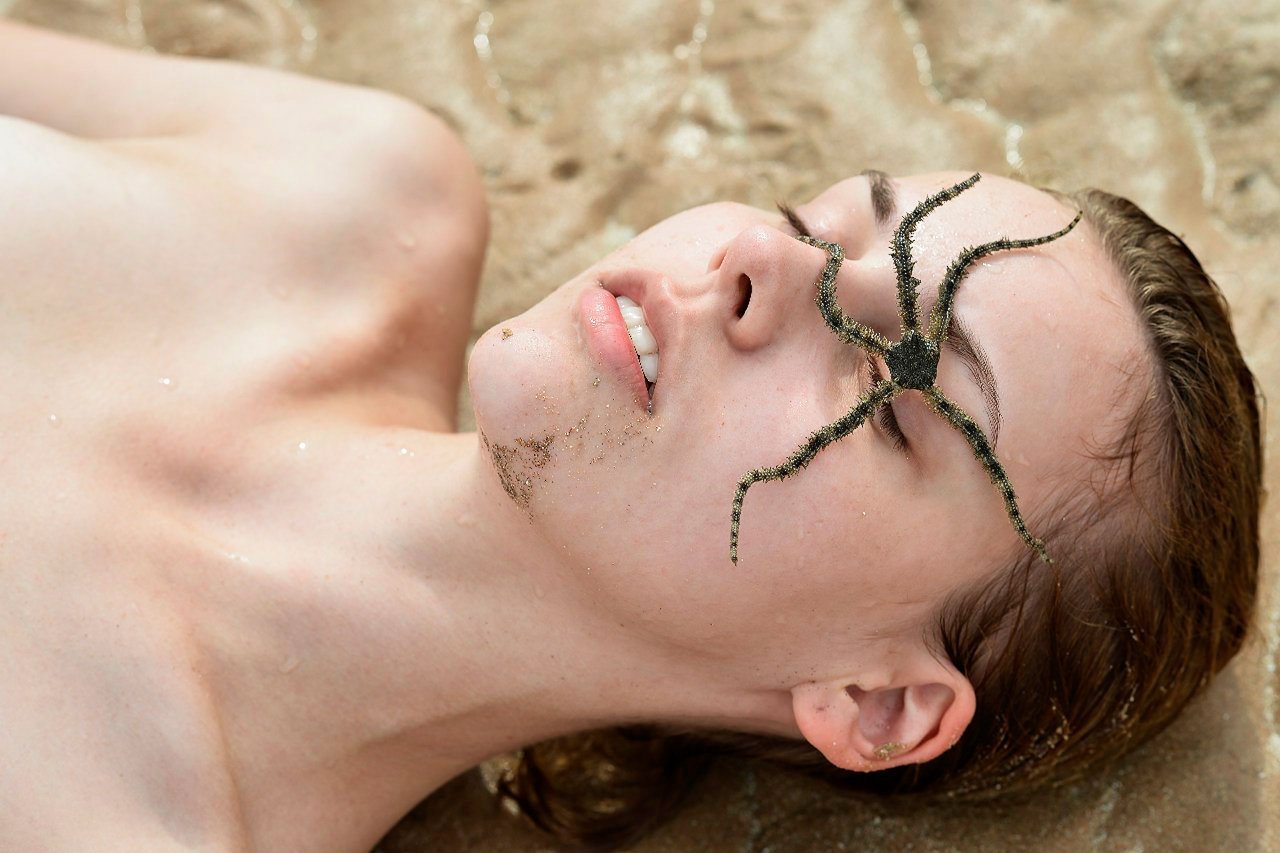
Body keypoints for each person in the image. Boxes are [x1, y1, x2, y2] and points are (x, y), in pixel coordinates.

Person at [0, 20, 1260, 853]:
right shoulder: (354, 192)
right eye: (817, 221)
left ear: (874, 703)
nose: (756, 257)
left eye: (895, 386)